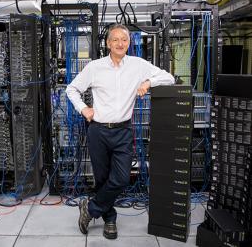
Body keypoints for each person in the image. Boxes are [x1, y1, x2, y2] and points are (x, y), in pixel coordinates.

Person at [66, 24, 175, 239]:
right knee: (102, 179)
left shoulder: (138, 65)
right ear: (108, 44)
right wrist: (83, 108)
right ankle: (110, 219)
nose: (120, 43)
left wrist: (148, 82)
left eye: (124, 39)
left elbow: (169, 78)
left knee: (122, 178)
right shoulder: (95, 67)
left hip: (123, 131)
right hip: (97, 131)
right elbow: (72, 89)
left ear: (129, 42)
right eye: (115, 40)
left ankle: (91, 208)